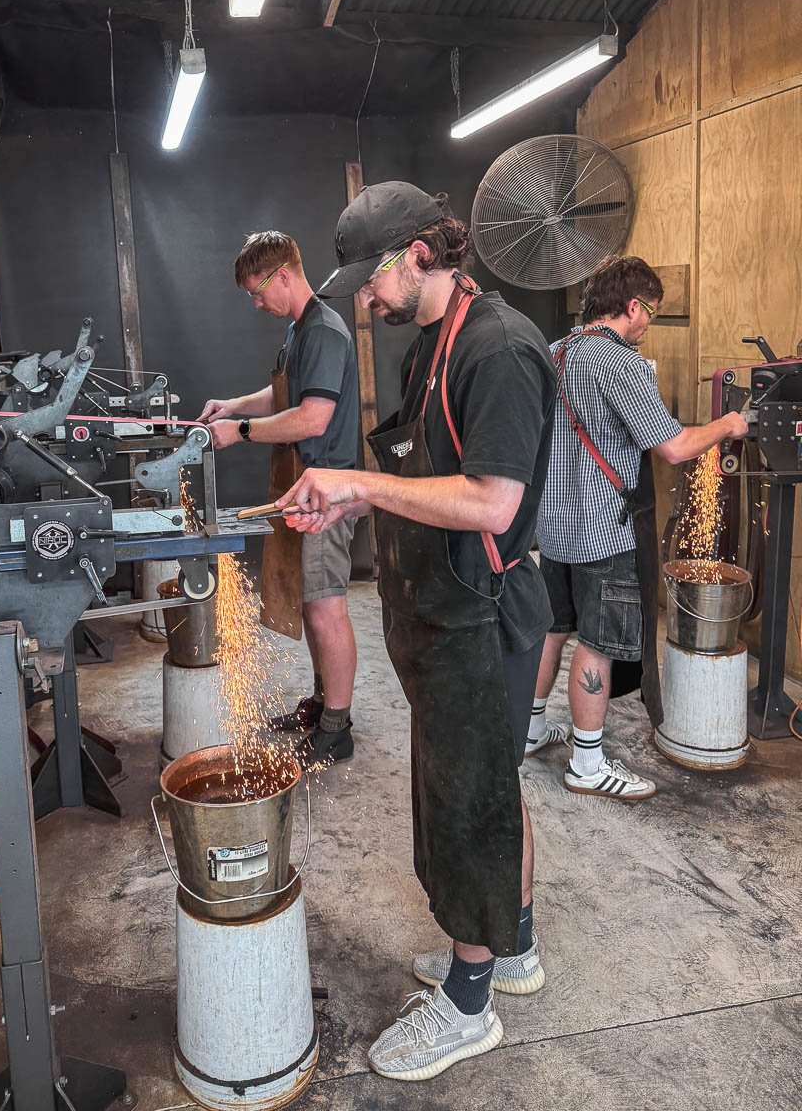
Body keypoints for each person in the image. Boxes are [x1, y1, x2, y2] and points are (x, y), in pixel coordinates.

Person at [278, 183, 557, 1081]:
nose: (364, 298)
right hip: (437, 619)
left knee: (473, 803)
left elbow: (490, 499)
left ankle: (469, 1006)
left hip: (483, 615)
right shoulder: (430, 346)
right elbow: (411, 468)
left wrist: (357, 484)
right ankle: (506, 946)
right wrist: (340, 496)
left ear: (419, 256)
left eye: (372, 280)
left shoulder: (501, 349)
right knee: (473, 789)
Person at [528, 254, 749, 799]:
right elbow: (672, 447)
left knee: (552, 629)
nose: (649, 323)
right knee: (598, 642)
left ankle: (530, 730)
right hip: (605, 530)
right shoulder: (620, 364)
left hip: (553, 526)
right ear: (632, 307)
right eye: (650, 312)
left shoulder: (555, 354)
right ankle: (586, 761)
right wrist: (727, 423)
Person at [199, 231, 360, 766]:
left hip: (328, 488)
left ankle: (338, 727)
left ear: (284, 276)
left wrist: (240, 431)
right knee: (312, 605)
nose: (256, 303)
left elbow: (313, 417)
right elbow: (283, 394)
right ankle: (322, 702)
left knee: (325, 608)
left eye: (257, 291)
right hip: (304, 484)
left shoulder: (326, 332)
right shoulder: (300, 331)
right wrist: (233, 406)